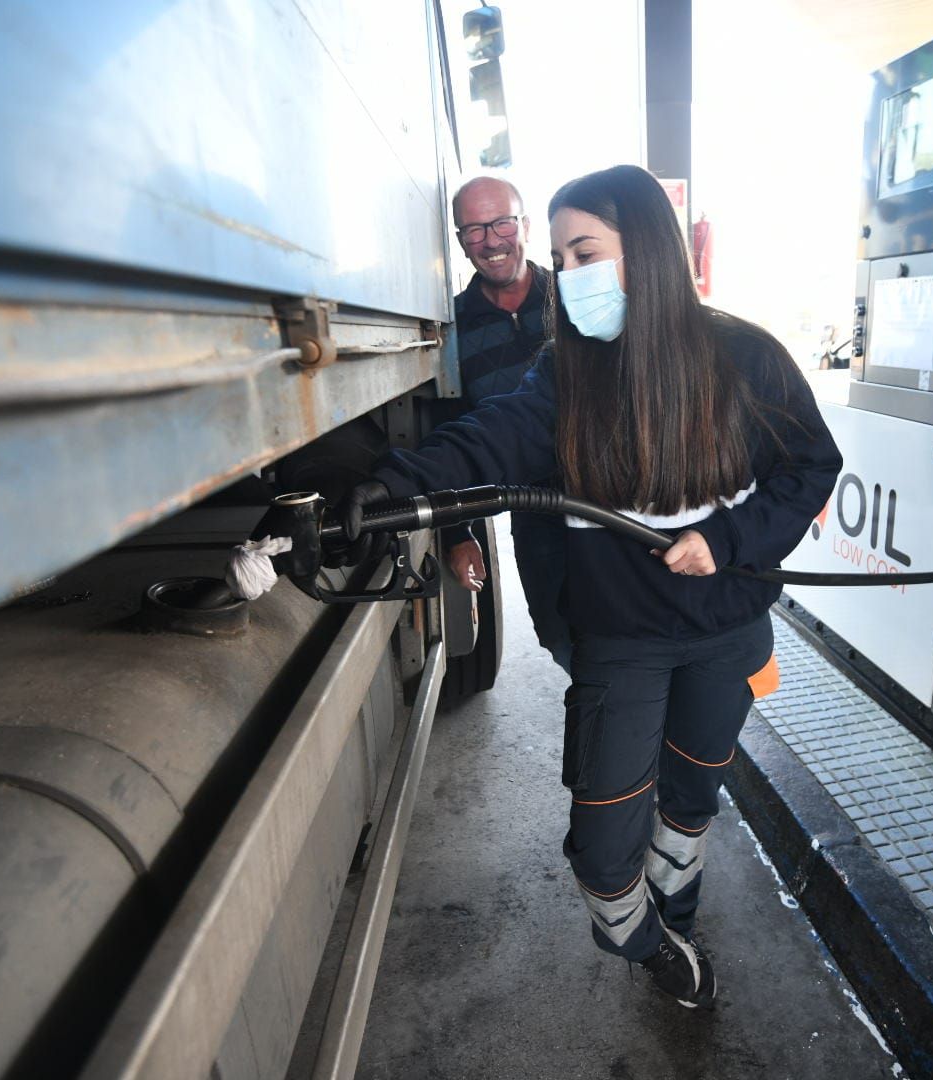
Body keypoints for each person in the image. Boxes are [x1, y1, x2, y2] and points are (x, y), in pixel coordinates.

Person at [344, 164, 842, 1010]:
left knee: (690, 804)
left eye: (587, 253)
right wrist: (393, 488)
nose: (569, 275)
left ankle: (677, 926)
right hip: (623, 644)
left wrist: (723, 540)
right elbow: (486, 438)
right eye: (564, 256)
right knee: (605, 862)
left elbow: (810, 467)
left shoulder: (747, 357)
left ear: (645, 251)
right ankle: (641, 940)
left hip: (727, 637)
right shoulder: (565, 375)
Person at [441, 176, 571, 672]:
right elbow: (452, 434)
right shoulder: (452, 329)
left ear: (525, 226)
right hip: (534, 516)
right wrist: (458, 533)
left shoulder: (574, 298)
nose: (491, 241)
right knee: (562, 639)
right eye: (474, 230)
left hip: (612, 506)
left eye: (501, 223)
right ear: (460, 242)